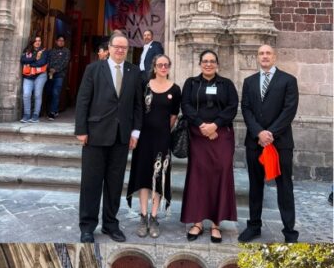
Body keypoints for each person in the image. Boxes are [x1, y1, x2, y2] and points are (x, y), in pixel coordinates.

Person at [74, 31, 143, 243]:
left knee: (114, 184)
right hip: (95, 135)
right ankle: (87, 226)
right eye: (117, 47)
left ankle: (111, 224)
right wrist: (81, 130)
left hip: (122, 137)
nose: (121, 50)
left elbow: (138, 105)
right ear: (110, 48)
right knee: (91, 183)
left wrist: (135, 132)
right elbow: (83, 100)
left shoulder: (134, 72)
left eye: (125, 48)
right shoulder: (94, 69)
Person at [239, 44, 300, 243]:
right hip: (255, 142)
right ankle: (254, 226)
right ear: (257, 57)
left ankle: (289, 231)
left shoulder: (288, 81)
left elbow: (289, 110)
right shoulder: (249, 82)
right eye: (261, 53)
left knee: (284, 186)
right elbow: (246, 109)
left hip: (280, 142)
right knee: (255, 185)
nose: (264, 56)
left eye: (268, 53)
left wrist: (270, 133)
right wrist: (258, 133)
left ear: (274, 57)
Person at [180, 49, 239, 243]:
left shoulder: (227, 84)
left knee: (221, 174)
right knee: (199, 176)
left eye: (212, 61)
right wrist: (201, 125)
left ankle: (216, 224)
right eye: (205, 61)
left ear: (217, 64)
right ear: (200, 64)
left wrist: (215, 125)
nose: (208, 64)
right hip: (198, 134)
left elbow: (232, 107)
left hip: (221, 135)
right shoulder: (191, 83)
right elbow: (186, 106)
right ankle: (197, 222)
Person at [127, 53, 181, 238]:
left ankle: (154, 216)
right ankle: (143, 215)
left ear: (169, 66)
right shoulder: (145, 86)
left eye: (166, 65)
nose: (163, 68)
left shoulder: (175, 89)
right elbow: (139, 110)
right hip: (144, 137)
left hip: (162, 138)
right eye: (160, 65)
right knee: (143, 176)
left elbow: (173, 116)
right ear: (154, 67)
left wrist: (165, 131)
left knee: (159, 177)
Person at [20, 35, 49, 123]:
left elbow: (42, 62)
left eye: (39, 40)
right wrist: (34, 59)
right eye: (36, 41)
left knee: (37, 95)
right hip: (28, 75)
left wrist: (29, 64)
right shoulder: (26, 50)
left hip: (40, 75)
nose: (38, 42)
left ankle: (35, 115)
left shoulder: (44, 51)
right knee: (26, 94)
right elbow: (22, 60)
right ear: (32, 42)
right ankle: (27, 115)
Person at [46, 35, 71, 120]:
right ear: (56, 41)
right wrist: (50, 69)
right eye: (59, 40)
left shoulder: (66, 51)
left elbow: (65, 63)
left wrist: (55, 70)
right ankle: (54, 109)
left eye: (63, 41)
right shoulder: (51, 51)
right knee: (49, 92)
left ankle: (52, 112)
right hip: (50, 74)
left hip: (59, 75)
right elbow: (47, 61)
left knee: (56, 93)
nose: (61, 42)